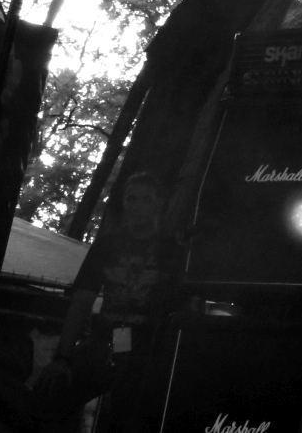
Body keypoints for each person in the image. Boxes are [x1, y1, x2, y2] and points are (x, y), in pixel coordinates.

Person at [33, 172, 175, 432]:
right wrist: (63, 357)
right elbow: (82, 301)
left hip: (150, 350)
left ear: (159, 203)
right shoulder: (107, 245)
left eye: (145, 199)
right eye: (131, 199)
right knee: (49, 393)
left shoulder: (172, 250)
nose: (137, 207)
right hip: (105, 343)